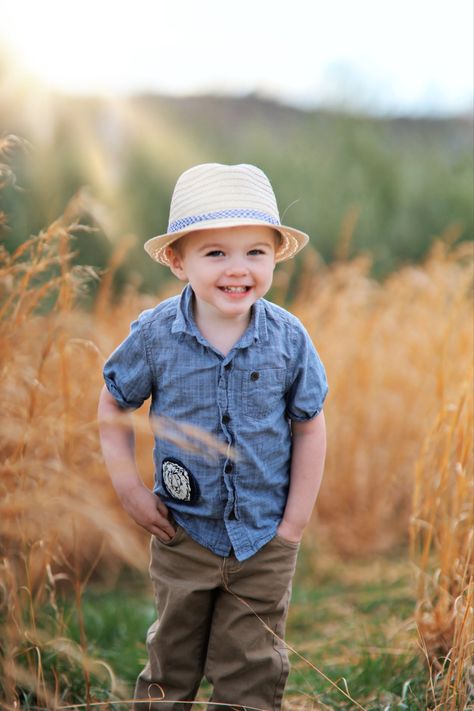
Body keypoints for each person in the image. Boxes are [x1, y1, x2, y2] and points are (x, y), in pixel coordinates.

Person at [98, 163, 328, 710]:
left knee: (252, 668)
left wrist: (293, 524)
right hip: (183, 535)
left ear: (276, 256)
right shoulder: (155, 336)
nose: (238, 269)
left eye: (255, 251)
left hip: (264, 539)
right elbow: (113, 402)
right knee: (170, 665)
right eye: (215, 252)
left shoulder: (289, 339)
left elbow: (310, 424)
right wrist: (130, 489)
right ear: (178, 261)